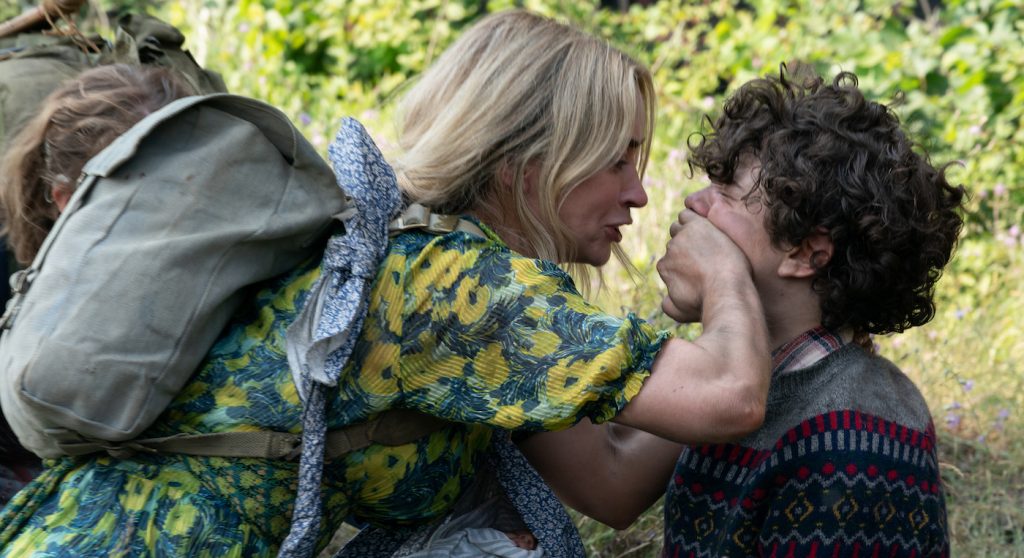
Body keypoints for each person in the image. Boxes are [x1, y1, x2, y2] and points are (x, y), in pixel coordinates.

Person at [0, 11, 770, 557]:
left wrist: (761, 325)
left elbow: (609, 482)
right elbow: (727, 398)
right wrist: (734, 266)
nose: (638, 195)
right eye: (616, 160)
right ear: (527, 163)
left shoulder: (404, 252)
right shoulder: (456, 289)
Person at [522, 66, 962, 556]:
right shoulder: (766, 383)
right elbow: (611, 471)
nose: (693, 203)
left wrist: (719, 277)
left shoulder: (852, 436)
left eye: (726, 191)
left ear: (805, 253)